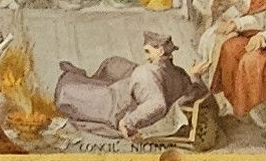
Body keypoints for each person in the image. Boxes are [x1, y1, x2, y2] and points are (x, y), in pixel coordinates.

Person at [53, 34, 200, 140]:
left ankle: (77, 76)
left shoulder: (146, 72)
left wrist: (127, 122)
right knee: (112, 65)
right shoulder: (179, 73)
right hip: (125, 91)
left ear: (160, 51)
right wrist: (195, 76)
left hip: (115, 105)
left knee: (67, 91)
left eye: (148, 51)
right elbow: (192, 91)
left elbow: (157, 105)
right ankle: (83, 76)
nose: (146, 56)